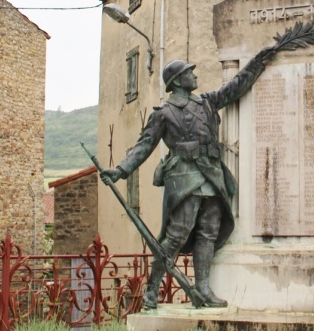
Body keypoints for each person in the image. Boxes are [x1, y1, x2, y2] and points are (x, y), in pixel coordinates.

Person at [100, 48, 276, 309]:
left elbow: (234, 88)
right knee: (176, 235)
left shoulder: (206, 102)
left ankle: (203, 288)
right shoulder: (164, 113)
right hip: (184, 176)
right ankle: (151, 290)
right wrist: (120, 170)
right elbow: (144, 146)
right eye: (189, 73)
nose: (194, 76)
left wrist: (258, 62)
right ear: (177, 81)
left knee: (209, 231)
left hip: (212, 174)